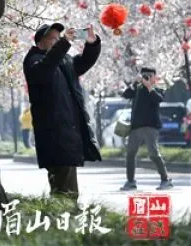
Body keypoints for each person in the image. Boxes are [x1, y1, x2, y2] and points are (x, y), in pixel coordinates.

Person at [23, 23, 102, 202]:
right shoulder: (34, 60)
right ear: (40, 42)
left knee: (67, 188)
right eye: (53, 38)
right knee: (64, 190)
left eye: (59, 38)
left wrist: (92, 44)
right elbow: (46, 67)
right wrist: (64, 43)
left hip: (68, 133)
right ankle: (64, 223)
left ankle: (63, 223)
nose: (58, 41)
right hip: (53, 135)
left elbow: (83, 63)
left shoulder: (64, 60)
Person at [120, 68, 173, 190]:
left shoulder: (158, 89)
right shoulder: (137, 89)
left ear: (155, 77)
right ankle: (130, 181)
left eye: (150, 76)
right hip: (135, 127)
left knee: (154, 153)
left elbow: (158, 99)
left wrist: (150, 87)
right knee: (130, 154)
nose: (147, 78)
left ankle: (165, 179)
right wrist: (134, 83)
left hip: (151, 126)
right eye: (145, 76)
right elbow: (125, 95)